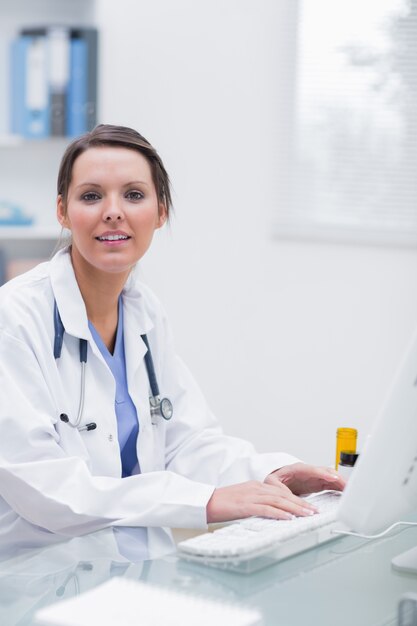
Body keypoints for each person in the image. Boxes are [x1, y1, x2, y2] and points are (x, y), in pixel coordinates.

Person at [0, 124, 344, 548]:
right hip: (36, 577)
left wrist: (268, 474)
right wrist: (208, 502)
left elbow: (187, 442)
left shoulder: (144, 313)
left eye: (134, 194)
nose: (113, 211)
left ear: (160, 212)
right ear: (62, 211)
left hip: (136, 567)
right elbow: (46, 491)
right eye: (91, 196)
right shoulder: (14, 318)